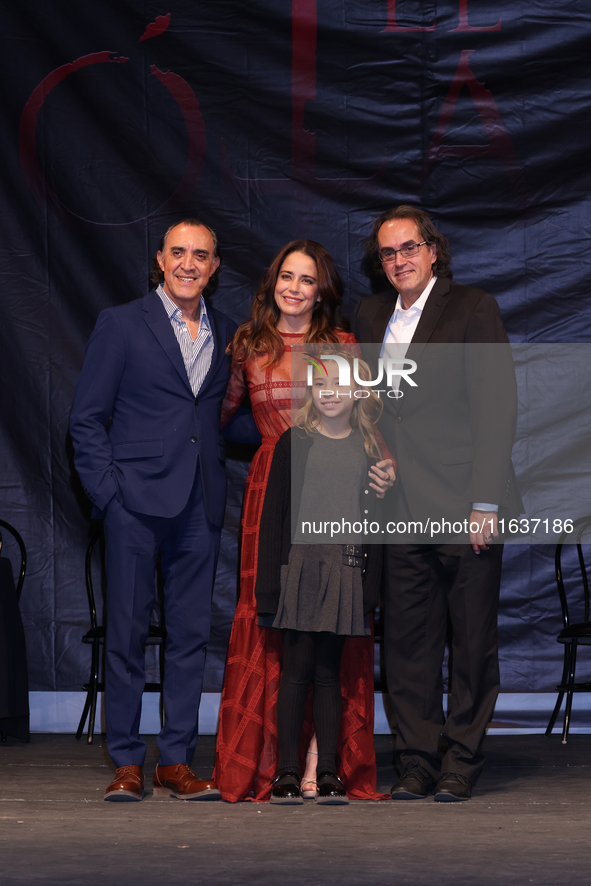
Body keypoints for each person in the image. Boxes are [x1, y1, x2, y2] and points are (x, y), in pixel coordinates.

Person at [70, 219, 247, 802]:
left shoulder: (227, 333)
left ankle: (175, 759)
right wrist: (109, 495)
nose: (189, 264)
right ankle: (126, 761)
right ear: (160, 259)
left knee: (191, 636)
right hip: (134, 506)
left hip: (198, 504)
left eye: (201, 255)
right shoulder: (121, 323)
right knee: (124, 635)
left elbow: (222, 417)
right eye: (179, 253)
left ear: (215, 266)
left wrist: (303, 417)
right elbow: (86, 419)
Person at [351, 206, 522, 802]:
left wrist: (484, 500)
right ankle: (418, 760)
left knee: (471, 639)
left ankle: (462, 759)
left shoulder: (474, 308)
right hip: (398, 508)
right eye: (388, 253)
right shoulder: (371, 315)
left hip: (464, 502)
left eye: (409, 248)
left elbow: (496, 408)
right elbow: (366, 408)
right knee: (406, 643)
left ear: (432, 252)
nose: (398, 260)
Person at [214, 240, 394, 802]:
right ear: (272, 284)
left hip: (337, 487)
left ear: (322, 290)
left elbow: (365, 420)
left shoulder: (340, 345)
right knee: (273, 621)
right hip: (273, 491)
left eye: (307, 280)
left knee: (334, 624)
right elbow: (223, 417)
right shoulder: (248, 343)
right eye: (286, 277)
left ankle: (323, 757)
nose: (294, 288)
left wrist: (383, 467)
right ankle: (273, 762)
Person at [257, 354, 386, 805]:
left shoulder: (369, 449)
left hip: (347, 569)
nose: (330, 391)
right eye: (321, 384)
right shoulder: (296, 442)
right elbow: (274, 515)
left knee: (329, 675)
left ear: (358, 394)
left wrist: (370, 586)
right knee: (296, 672)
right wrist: (270, 586)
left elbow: (378, 525)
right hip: (301, 567)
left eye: (340, 384)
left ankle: (328, 770)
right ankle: (287, 772)